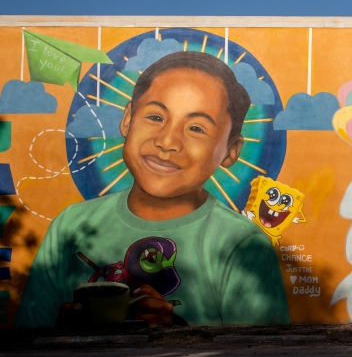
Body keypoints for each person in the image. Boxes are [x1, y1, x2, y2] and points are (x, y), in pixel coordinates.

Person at [15, 51, 290, 327]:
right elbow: (26, 347)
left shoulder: (240, 244)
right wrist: (59, 337)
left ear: (230, 151)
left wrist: (175, 334)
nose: (167, 141)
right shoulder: (70, 227)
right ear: (127, 120)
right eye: (156, 117)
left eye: (195, 128)